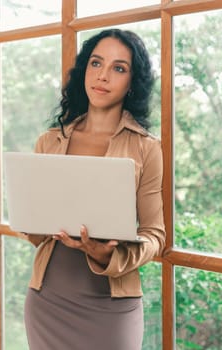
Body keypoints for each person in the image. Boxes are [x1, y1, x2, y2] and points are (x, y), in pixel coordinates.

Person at [23, 28, 165, 350]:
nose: (103, 76)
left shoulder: (146, 148)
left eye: (119, 68)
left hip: (112, 309)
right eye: (96, 63)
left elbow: (155, 235)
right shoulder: (50, 141)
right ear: (84, 70)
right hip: (49, 301)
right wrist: (31, 217)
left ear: (132, 82)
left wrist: (109, 255)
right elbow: (34, 228)